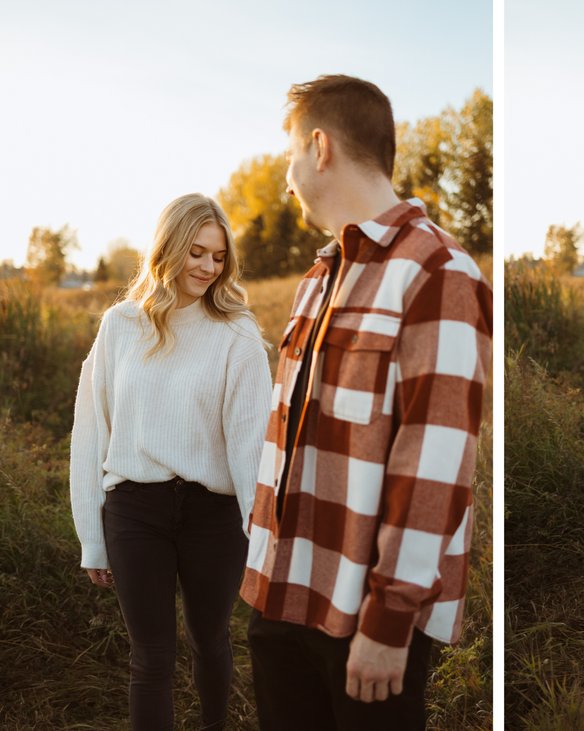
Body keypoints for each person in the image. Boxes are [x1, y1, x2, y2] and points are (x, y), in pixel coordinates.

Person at [239, 74, 492, 730]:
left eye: (291, 152)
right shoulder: (320, 277)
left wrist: (388, 621)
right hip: (283, 598)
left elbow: (434, 464)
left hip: (363, 625)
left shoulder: (438, 272)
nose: (286, 176)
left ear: (319, 147)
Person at [69, 193, 272, 730]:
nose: (208, 267)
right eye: (197, 252)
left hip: (214, 515)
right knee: (150, 659)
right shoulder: (120, 326)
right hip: (135, 509)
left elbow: (252, 443)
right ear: (169, 247)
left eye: (219, 257)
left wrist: (263, 540)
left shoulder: (238, 335)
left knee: (209, 640)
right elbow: (92, 431)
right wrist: (92, 536)